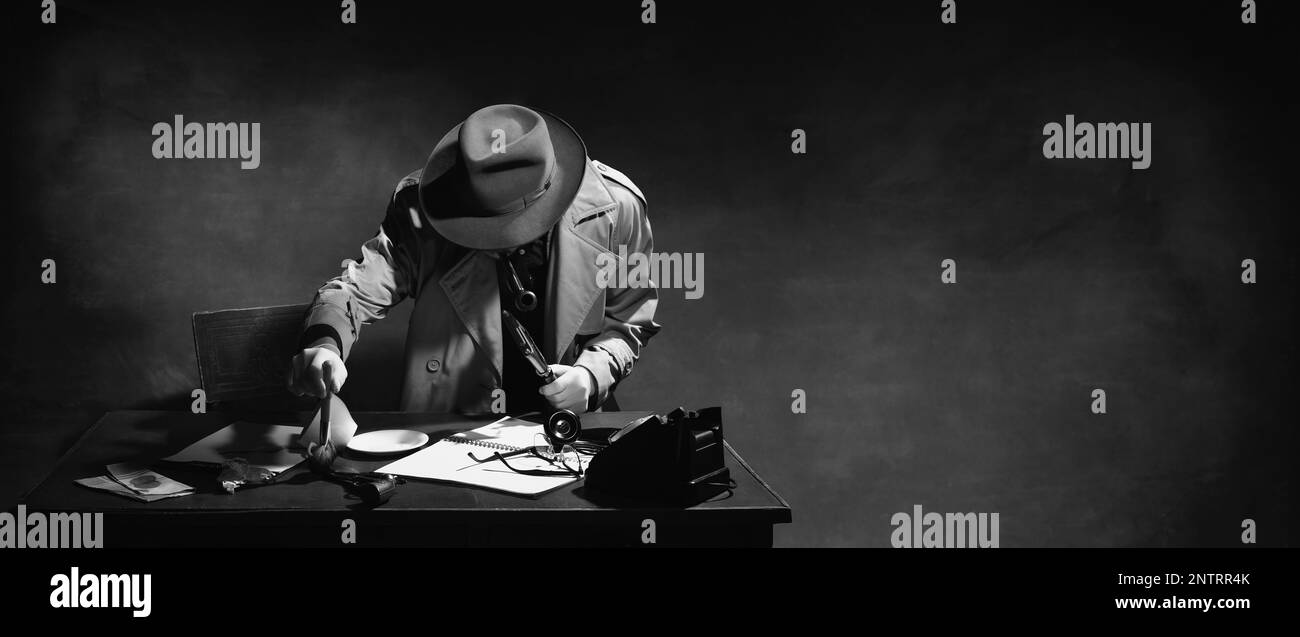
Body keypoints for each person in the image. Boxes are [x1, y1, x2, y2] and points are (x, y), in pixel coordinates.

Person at [287, 104, 660, 415]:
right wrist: (325, 344)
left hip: (571, 426)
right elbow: (353, 291)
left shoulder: (618, 210)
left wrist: (593, 375)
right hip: (454, 428)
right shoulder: (421, 211)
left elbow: (630, 321)